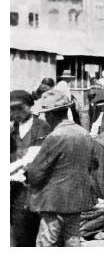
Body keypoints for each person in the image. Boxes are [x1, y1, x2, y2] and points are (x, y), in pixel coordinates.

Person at [24, 90, 95, 246]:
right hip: (77, 199)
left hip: (54, 202)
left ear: (50, 115)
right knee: (72, 240)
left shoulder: (55, 137)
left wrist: (28, 169)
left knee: (47, 242)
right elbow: (92, 164)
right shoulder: (84, 133)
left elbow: (36, 173)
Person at [10, 90, 51, 247]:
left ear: (30, 106)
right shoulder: (10, 129)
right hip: (13, 188)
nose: (15, 113)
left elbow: (42, 158)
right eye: (11, 109)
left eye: (19, 108)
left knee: (28, 231)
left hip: (33, 187)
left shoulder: (42, 127)